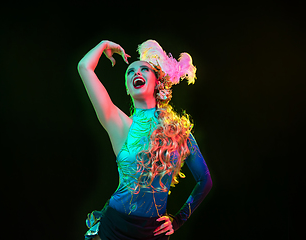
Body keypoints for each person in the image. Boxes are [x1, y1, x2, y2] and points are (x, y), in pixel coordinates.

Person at [78, 40, 212, 240]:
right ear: (127, 88)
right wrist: (104, 44)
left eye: (143, 69)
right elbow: (84, 67)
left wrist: (179, 219)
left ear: (158, 81)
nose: (136, 73)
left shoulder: (179, 132)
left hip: (153, 233)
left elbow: (205, 180)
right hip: (114, 228)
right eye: (130, 72)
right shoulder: (120, 124)